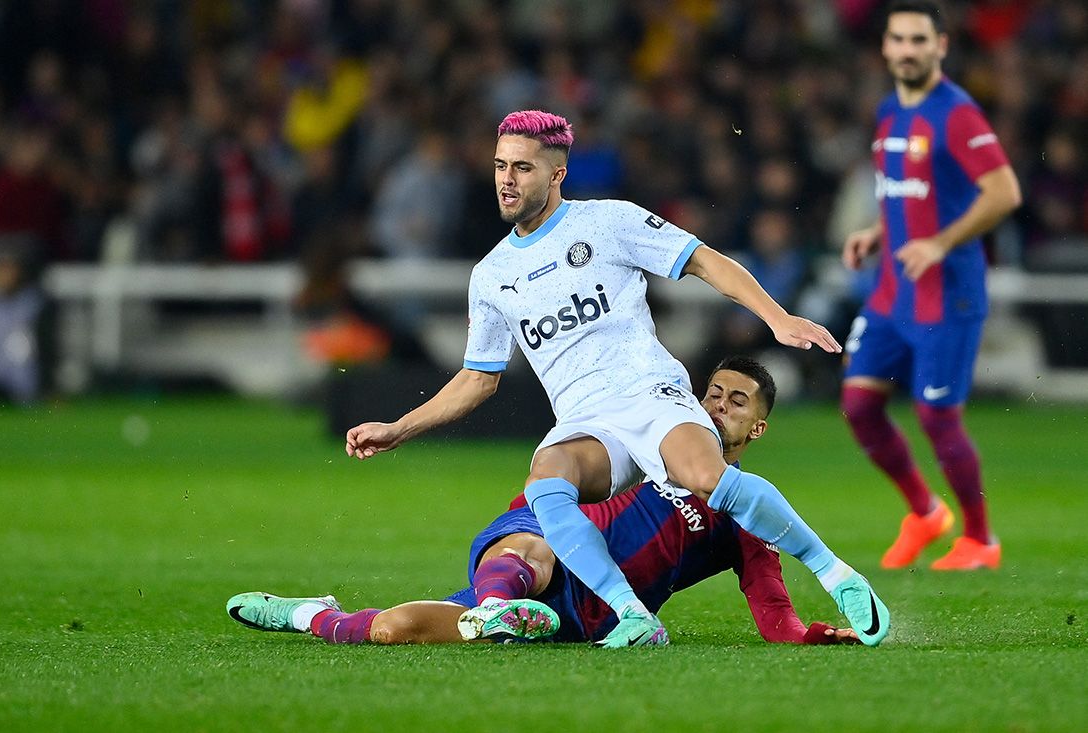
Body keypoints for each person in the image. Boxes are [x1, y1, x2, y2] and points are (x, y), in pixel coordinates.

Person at [345, 109, 890, 647]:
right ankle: (632, 615)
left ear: (557, 174)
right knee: (546, 478)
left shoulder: (608, 222)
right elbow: (477, 379)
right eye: (499, 165)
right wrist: (399, 428)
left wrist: (778, 318)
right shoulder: (490, 276)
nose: (507, 179)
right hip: (586, 420)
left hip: (650, 393)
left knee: (705, 477)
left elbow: (704, 261)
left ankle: (836, 574)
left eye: (522, 168)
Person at [230, 357, 859, 646]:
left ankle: (307, 615)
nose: (718, 405)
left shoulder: (748, 523)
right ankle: (500, 608)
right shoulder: (653, 436)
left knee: (395, 629)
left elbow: (775, 615)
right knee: (541, 535)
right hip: (545, 538)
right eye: (714, 392)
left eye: (737, 402)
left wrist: (812, 638)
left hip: (583, 614)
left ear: (758, 430)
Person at [840, 1, 1021, 571]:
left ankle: (981, 540)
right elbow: (908, 192)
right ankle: (924, 513)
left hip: (948, 295)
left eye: (920, 39)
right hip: (894, 291)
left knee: (937, 417)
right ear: (886, 47)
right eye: (899, 39)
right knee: (859, 404)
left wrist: (940, 243)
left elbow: (1004, 193)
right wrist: (875, 231)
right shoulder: (889, 111)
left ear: (941, 46)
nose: (908, 49)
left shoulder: (958, 114)